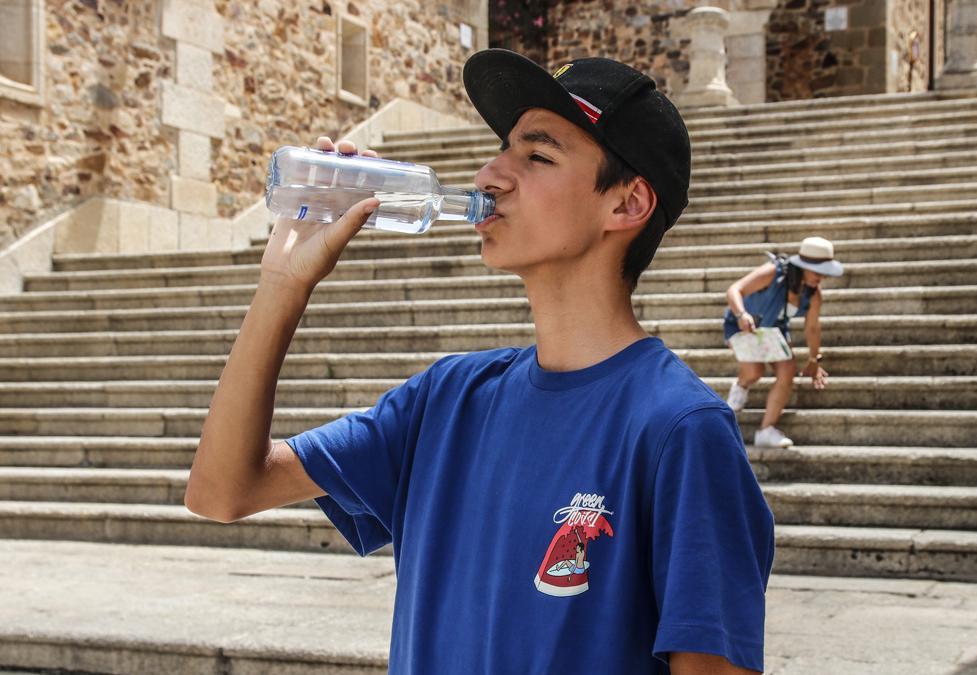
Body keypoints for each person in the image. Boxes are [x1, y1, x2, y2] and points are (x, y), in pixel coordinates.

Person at [184, 49, 775, 675]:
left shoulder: (681, 431)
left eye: (537, 156)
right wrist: (283, 282)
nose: (490, 174)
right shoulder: (445, 399)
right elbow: (224, 490)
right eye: (504, 148)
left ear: (626, 204)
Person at [722, 236, 843, 448]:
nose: (821, 278)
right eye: (818, 272)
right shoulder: (774, 272)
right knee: (754, 372)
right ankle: (741, 386)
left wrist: (814, 359)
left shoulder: (813, 294)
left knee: (788, 368)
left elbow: (812, 327)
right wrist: (742, 315)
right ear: (804, 267)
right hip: (743, 326)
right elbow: (735, 289)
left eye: (825, 273)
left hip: (774, 332)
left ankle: (766, 430)